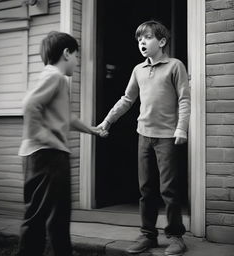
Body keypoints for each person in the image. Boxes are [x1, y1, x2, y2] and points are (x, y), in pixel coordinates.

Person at [98, 20, 190, 255]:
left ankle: (176, 236)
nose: (142, 42)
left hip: (168, 136)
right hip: (143, 136)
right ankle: (148, 235)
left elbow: (184, 99)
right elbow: (127, 100)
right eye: (139, 39)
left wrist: (182, 128)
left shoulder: (175, 66)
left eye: (147, 38)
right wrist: (107, 121)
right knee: (146, 188)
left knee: (168, 188)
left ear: (161, 41)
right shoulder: (138, 70)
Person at [16, 31, 107, 256]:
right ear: (66, 53)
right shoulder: (55, 76)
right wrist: (45, 137)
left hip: (42, 155)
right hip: (47, 156)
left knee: (56, 216)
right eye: (76, 56)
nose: (77, 61)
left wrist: (91, 130)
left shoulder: (52, 78)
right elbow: (30, 106)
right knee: (42, 218)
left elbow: (67, 118)